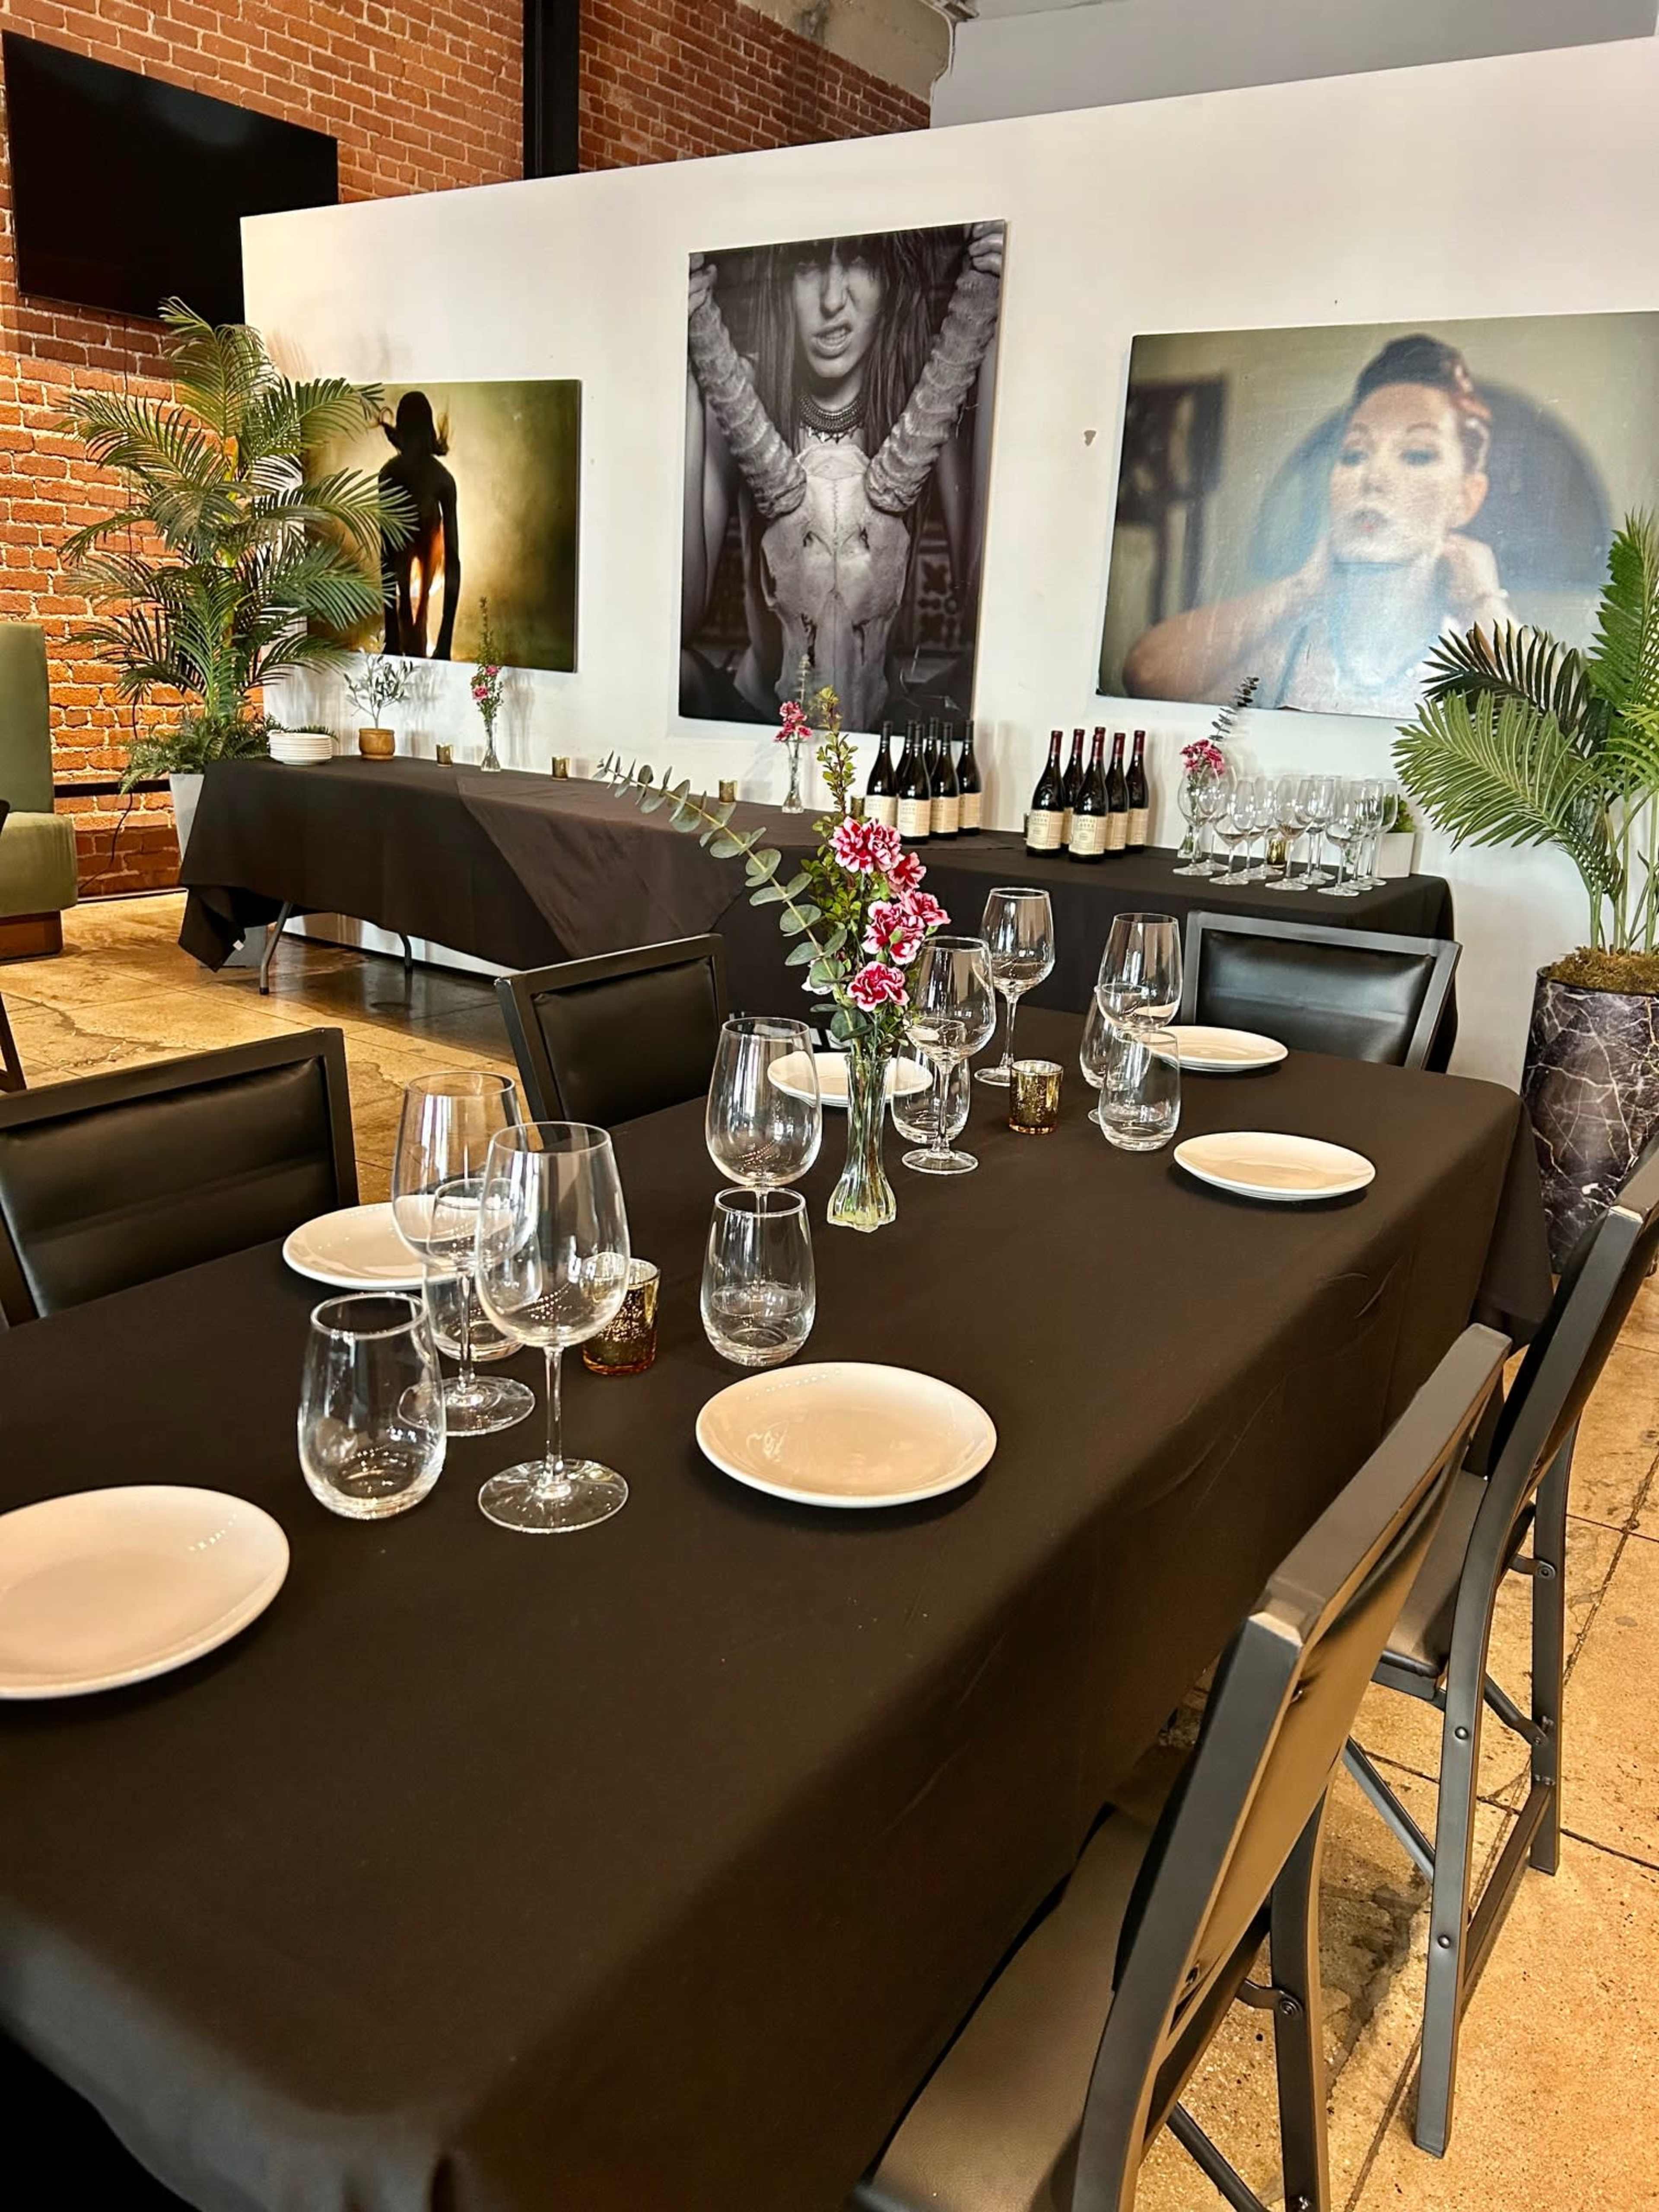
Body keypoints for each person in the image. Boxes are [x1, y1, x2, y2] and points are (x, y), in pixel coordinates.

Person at [680, 223, 1002, 730]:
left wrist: (999, 320)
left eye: (860, 259)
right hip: (759, 718)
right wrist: (685, 360)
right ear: (782, 282)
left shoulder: (926, 400)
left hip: (878, 721)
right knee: (674, 674)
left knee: (991, 686)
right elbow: (678, 619)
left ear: (891, 278)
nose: (833, 300)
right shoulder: (742, 384)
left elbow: (984, 615)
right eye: (808, 263)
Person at [1123, 334, 1512, 718]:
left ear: (1467, 497)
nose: (1372, 477)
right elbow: (1147, 674)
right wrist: (1299, 591)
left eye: (1416, 455)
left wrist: (1484, 604)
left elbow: (1551, 723)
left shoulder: (1481, 656)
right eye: (1354, 454)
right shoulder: (1291, 648)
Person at [379, 391, 461, 660]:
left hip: (426, 544)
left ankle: (412, 622)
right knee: (409, 602)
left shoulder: (396, 474)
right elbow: (387, 553)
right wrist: (393, 635)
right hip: (409, 547)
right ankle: (408, 624)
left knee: (412, 603)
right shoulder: (437, 478)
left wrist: (445, 642)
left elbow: (451, 559)